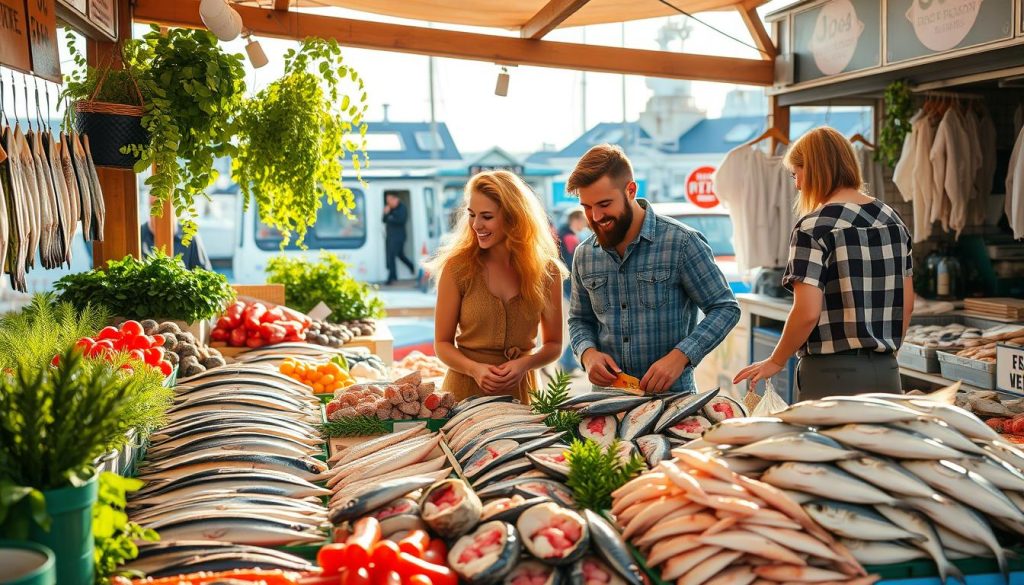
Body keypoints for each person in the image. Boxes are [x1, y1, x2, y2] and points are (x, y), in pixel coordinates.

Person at [733, 126, 914, 399]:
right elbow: (907, 303)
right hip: (887, 371)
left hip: (831, 376)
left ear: (815, 169)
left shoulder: (813, 227)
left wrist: (777, 360)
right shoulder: (892, 219)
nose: (797, 185)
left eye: (796, 174)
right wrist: (883, 356)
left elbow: (806, 312)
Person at [568, 144, 740, 394]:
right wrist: (588, 354)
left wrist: (681, 356)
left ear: (630, 190)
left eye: (604, 204)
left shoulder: (681, 242)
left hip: (672, 402)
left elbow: (725, 308)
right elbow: (579, 319)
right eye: (586, 207)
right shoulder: (584, 254)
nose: (595, 216)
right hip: (606, 404)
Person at [429, 171, 567, 402]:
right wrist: (474, 369)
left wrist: (525, 364)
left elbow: (553, 345)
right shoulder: (457, 267)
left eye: (487, 216)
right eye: (472, 215)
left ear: (514, 218)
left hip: (523, 397)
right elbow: (442, 344)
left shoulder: (548, 271)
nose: (476, 225)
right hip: (463, 394)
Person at [140, 197, 212, 271]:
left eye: (165, 207)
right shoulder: (138, 236)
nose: (160, 213)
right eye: (154, 205)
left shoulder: (190, 235)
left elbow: (205, 274)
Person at [557, 209, 586, 372]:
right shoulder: (569, 237)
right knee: (577, 321)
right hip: (570, 285)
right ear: (575, 219)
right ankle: (567, 361)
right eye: (583, 220)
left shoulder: (563, 233)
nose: (586, 223)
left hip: (565, 284)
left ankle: (568, 361)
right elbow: (574, 265)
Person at [383, 193, 415, 285]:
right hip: (390, 237)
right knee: (398, 255)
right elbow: (384, 220)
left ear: (395, 199)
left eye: (389, 200)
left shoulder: (402, 208)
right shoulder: (389, 209)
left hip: (399, 237)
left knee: (393, 256)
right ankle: (409, 268)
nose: (388, 202)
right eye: (387, 200)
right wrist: (386, 214)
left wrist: (390, 217)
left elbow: (401, 220)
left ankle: (391, 278)